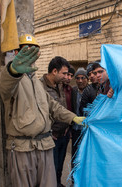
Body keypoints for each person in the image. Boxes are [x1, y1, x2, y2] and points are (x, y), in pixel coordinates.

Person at [0, 34, 85, 187]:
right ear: (17, 53)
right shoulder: (12, 77)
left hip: (45, 145)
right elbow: (5, 85)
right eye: (26, 49)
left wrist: (73, 118)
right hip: (23, 148)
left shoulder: (36, 82)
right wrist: (13, 70)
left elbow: (53, 106)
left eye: (35, 50)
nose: (31, 52)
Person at [39, 56, 72, 187]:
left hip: (63, 135)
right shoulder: (39, 86)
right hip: (50, 138)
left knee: (59, 166)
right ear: (54, 71)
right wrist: (47, 131)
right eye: (64, 73)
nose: (66, 76)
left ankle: (58, 183)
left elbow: (62, 107)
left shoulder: (60, 85)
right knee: (50, 169)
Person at [71, 67, 89, 175]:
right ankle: (74, 177)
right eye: (78, 78)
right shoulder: (73, 91)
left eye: (83, 78)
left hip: (86, 130)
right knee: (75, 154)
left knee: (85, 155)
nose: (80, 81)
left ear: (87, 79)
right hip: (75, 129)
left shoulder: (91, 91)